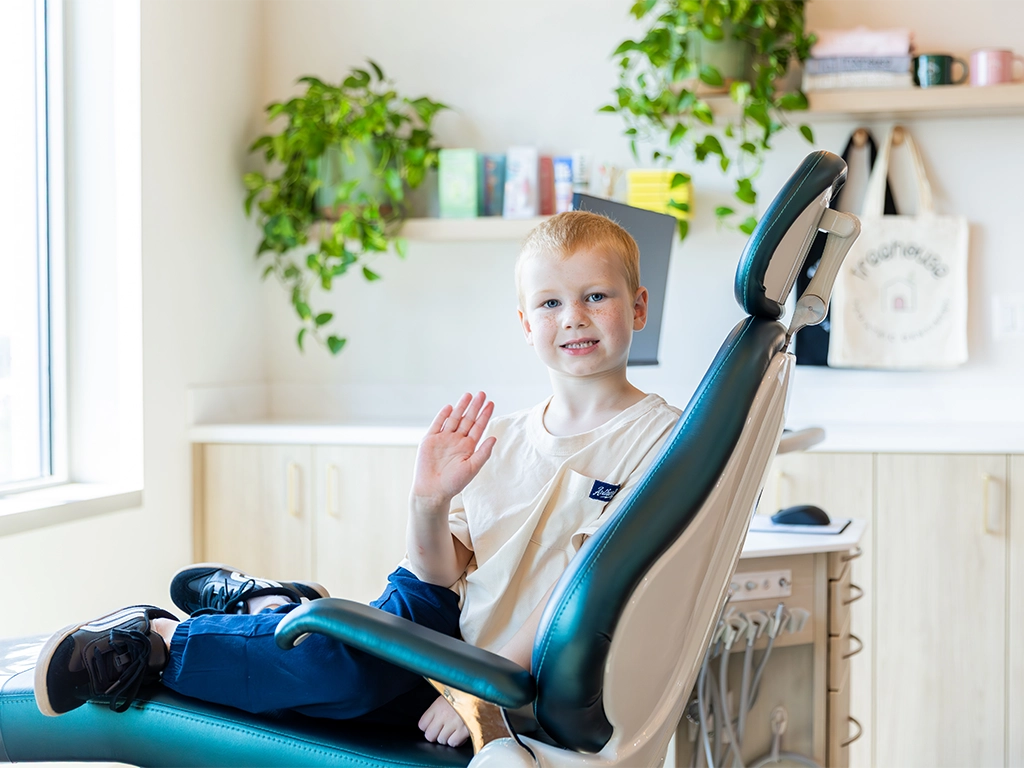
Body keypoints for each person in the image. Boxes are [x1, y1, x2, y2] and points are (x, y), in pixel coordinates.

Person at [34, 210, 682, 749]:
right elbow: (437, 572)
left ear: (639, 306)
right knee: (330, 667)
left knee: (326, 692)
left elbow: (587, 587)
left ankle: (263, 608)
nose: (573, 316)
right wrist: (428, 501)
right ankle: (150, 642)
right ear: (524, 324)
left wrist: (481, 689)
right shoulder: (501, 438)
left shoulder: (661, 441)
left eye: (595, 296)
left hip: (500, 667)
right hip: (446, 623)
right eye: (550, 302)